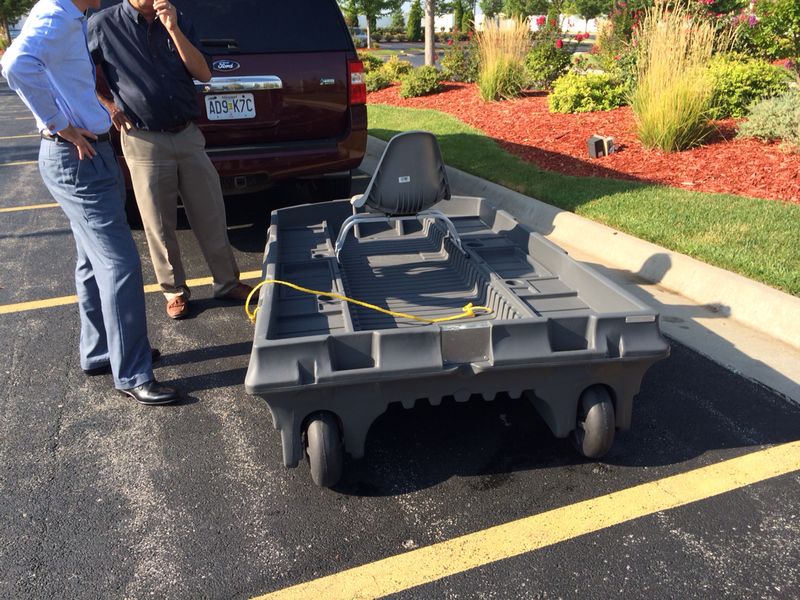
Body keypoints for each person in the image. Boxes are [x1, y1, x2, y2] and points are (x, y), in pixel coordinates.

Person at [1, 0, 179, 405]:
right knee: (120, 264)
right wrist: (61, 126)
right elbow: (15, 65)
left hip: (89, 155)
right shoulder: (54, 15)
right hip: (77, 158)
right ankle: (133, 372)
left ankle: (100, 351)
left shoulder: (69, 16)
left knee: (89, 260)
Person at [88, 0, 255, 320]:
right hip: (143, 138)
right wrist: (109, 106)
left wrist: (174, 29)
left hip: (188, 133)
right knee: (158, 221)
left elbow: (203, 73)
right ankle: (175, 291)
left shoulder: (178, 19)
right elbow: (79, 74)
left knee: (211, 211)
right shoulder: (102, 25)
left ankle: (227, 282)